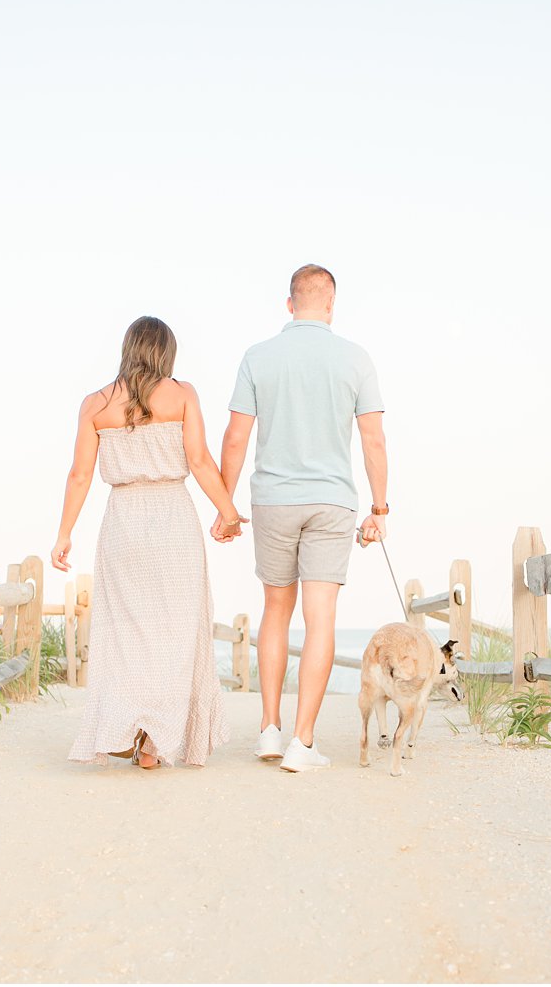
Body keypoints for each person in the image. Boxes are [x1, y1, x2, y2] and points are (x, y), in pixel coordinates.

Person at [216, 264, 389, 773]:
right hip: (331, 502)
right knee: (321, 619)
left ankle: (269, 730)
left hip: (272, 498)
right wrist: (380, 509)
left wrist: (226, 506)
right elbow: (374, 440)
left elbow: (234, 438)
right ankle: (302, 742)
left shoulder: (258, 357)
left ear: (289, 304)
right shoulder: (355, 359)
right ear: (331, 305)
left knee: (275, 611)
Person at [57, 316, 246, 769]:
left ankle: (133, 726)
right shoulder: (182, 395)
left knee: (127, 633)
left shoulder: (94, 405)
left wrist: (64, 534)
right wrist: (228, 511)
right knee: (176, 632)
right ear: (166, 352)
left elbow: (81, 475)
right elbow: (199, 461)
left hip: (123, 522)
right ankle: (156, 742)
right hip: (173, 520)